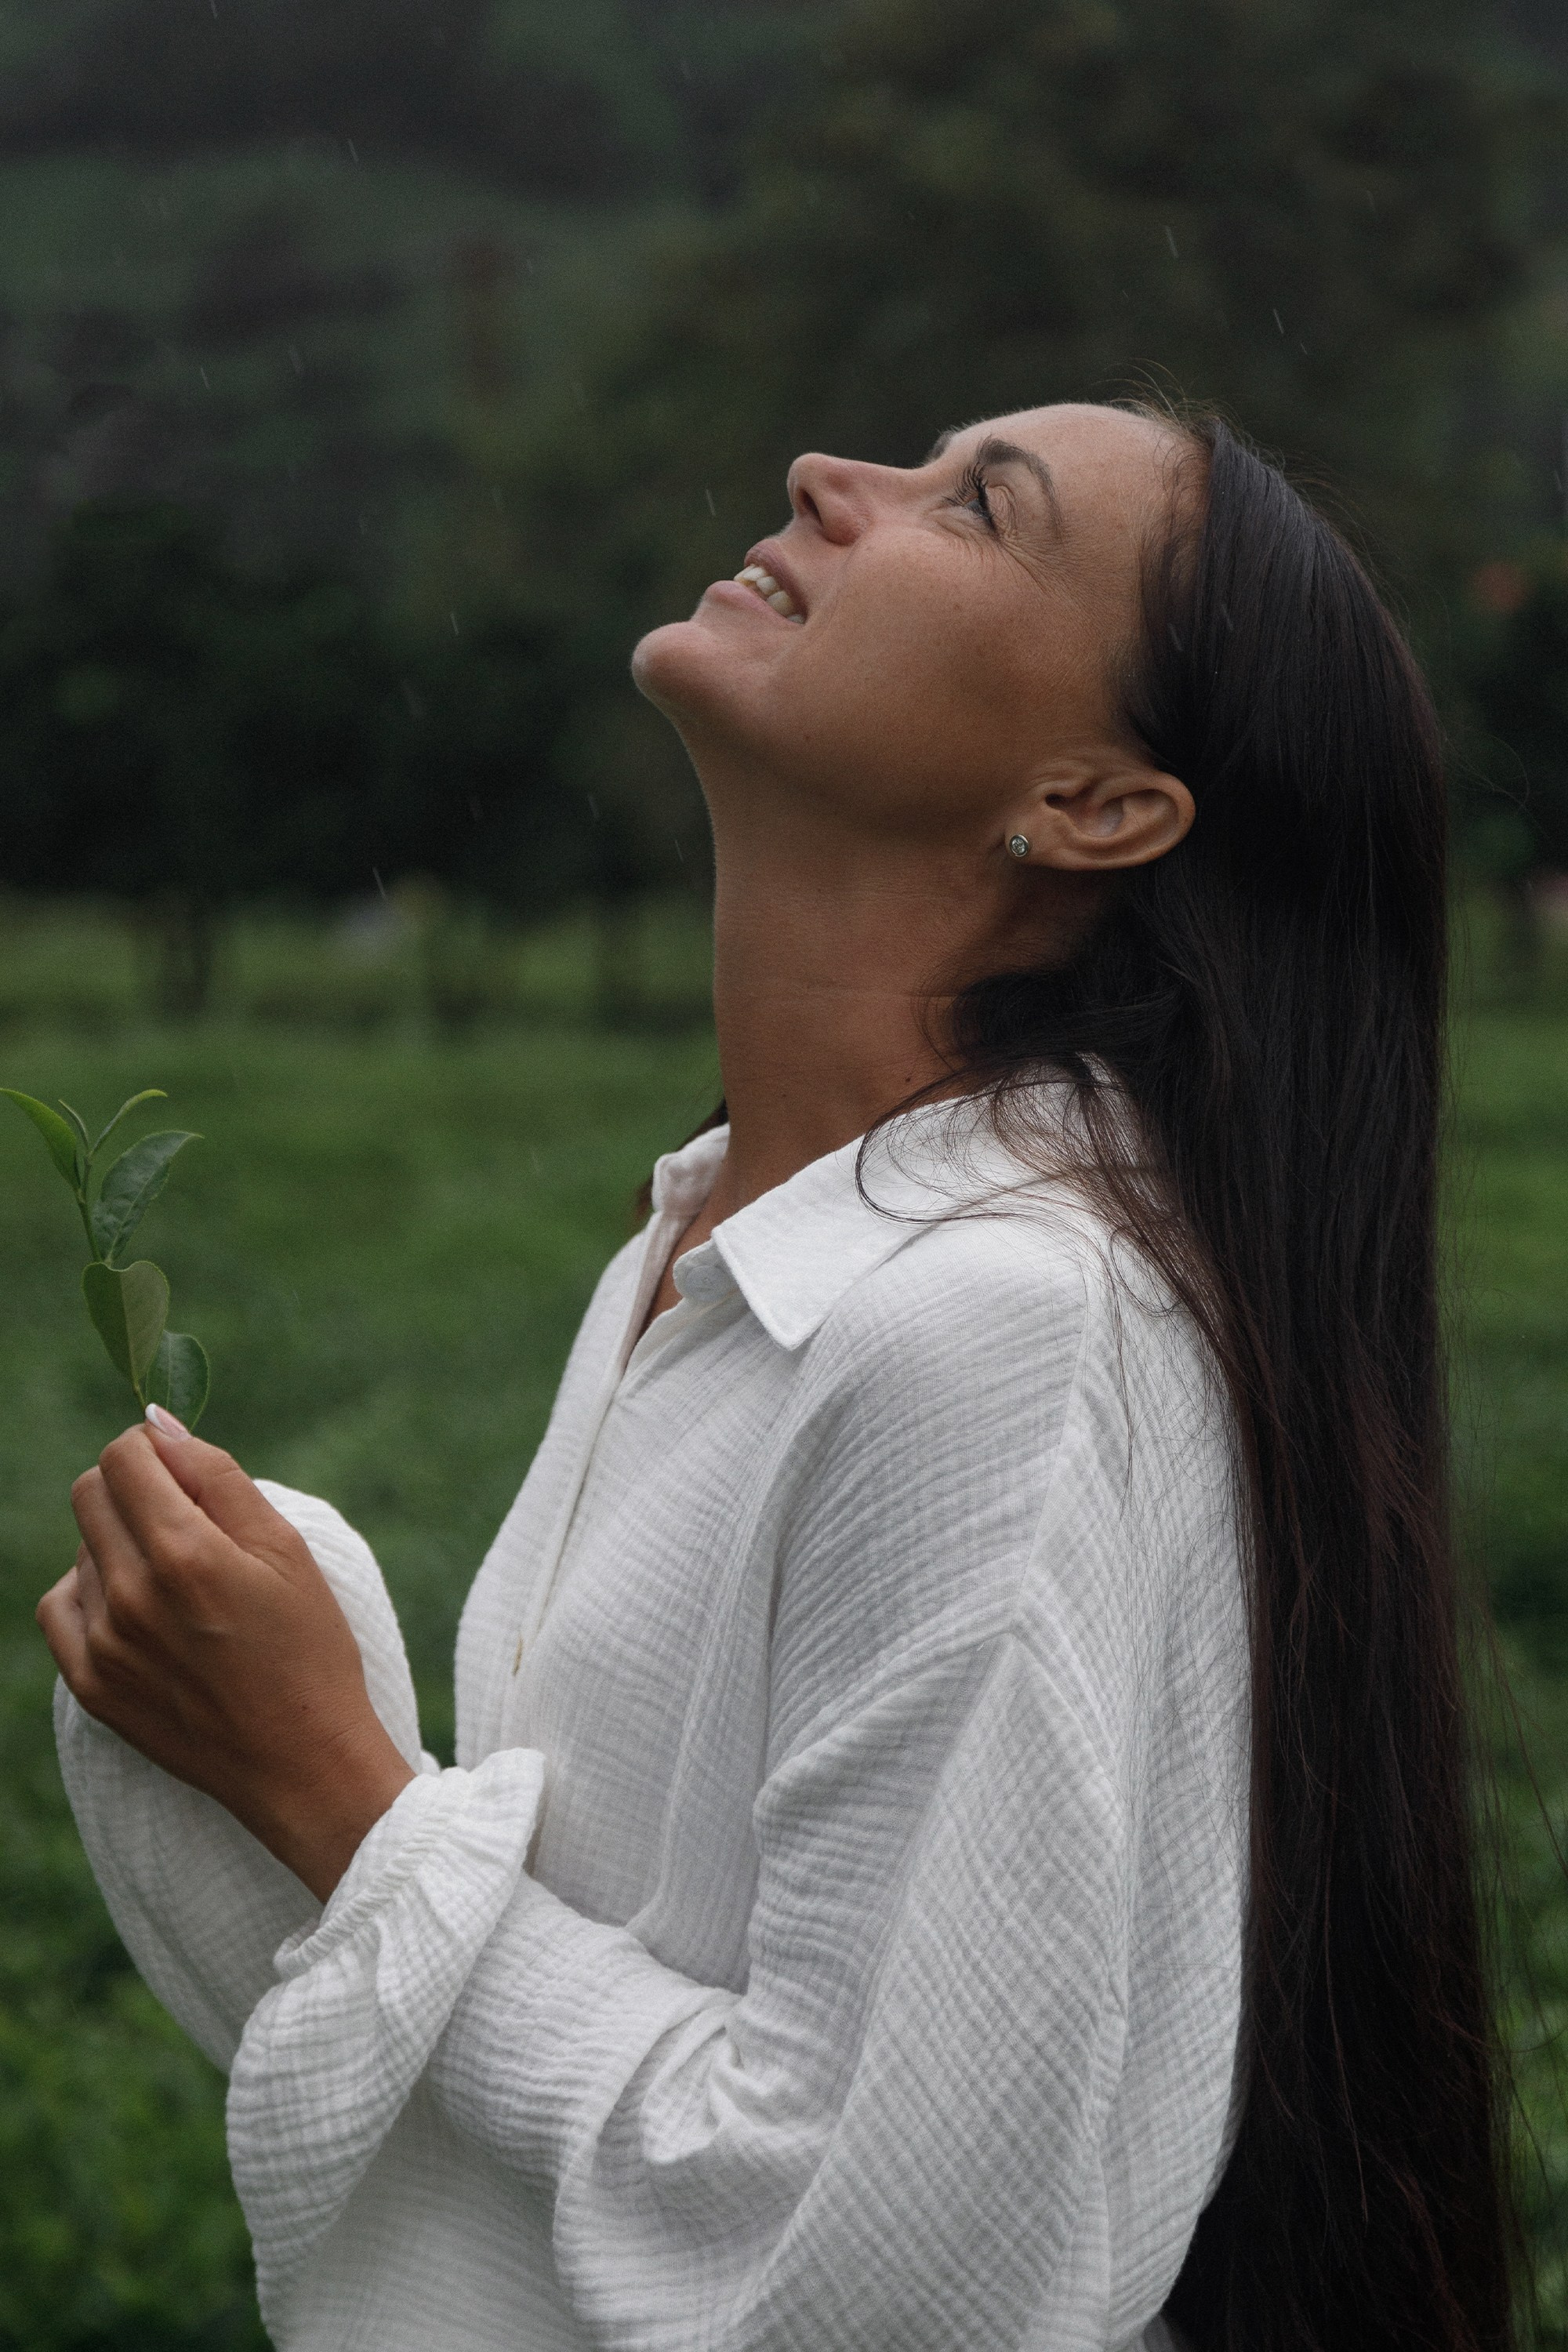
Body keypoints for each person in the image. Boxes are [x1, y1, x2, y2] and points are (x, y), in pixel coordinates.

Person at [41, 402, 1515, 2352]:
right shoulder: (711, 1243)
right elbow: (637, 2001)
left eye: (975, 507)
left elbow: (893, 2284)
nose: (832, 475)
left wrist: (330, 1790)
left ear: (1093, 804)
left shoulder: (995, 1328)